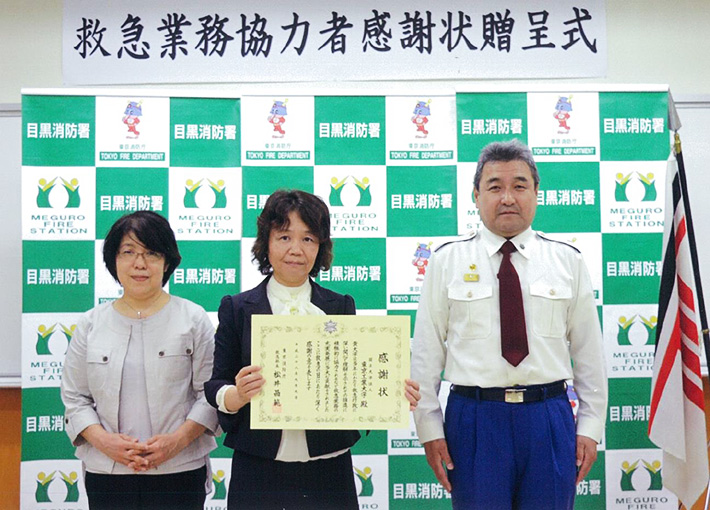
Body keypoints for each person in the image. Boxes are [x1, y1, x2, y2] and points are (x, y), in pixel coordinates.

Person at [411, 140, 607, 510]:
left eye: (519, 186)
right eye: (494, 186)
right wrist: (429, 430)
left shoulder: (567, 261)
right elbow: (425, 354)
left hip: (548, 417)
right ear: (476, 195)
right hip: (475, 421)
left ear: (536, 193)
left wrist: (590, 427)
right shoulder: (446, 262)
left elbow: (589, 355)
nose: (507, 198)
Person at [204, 189, 420, 510]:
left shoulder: (339, 305)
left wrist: (388, 391)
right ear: (266, 243)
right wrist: (237, 395)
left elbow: (349, 378)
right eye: (284, 237)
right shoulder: (237, 307)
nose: (296, 249)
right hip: (258, 462)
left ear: (321, 247)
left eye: (308, 239)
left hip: (327, 462)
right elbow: (216, 384)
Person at [60, 211, 219, 510]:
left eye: (152, 253)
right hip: (108, 470)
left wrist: (176, 442)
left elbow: (209, 394)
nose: (140, 264)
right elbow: (75, 398)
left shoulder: (193, 318)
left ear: (168, 261)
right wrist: (105, 442)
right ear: (113, 261)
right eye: (128, 252)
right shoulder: (91, 323)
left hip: (179, 469)